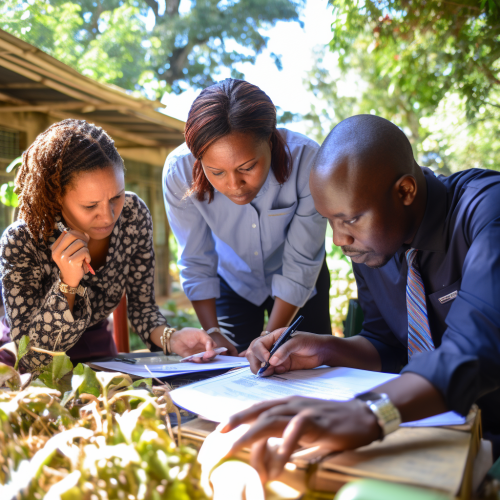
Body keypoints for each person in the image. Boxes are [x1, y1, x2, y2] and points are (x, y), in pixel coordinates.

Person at [220, 114, 500, 481]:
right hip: (431, 434)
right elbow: (388, 344)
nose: (339, 239)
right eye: (330, 222)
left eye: (349, 219)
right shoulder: (375, 246)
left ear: (404, 192)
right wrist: (325, 349)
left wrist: (370, 413)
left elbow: (477, 348)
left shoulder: (487, 212)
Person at [0, 119, 217, 373]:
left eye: (116, 196)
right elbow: (34, 359)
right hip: (27, 365)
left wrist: (172, 338)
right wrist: (67, 284)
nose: (108, 216)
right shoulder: (22, 241)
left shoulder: (132, 215)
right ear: (57, 196)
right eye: (90, 206)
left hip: (99, 353)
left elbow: (143, 309)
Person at [163, 79, 330, 354]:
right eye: (216, 172)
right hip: (233, 281)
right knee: (231, 371)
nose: (234, 184)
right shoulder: (178, 172)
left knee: (309, 368)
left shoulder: (307, 162)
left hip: (301, 283)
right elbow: (195, 257)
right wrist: (212, 332)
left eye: (247, 167)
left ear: (271, 141)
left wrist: (267, 338)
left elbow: (300, 262)